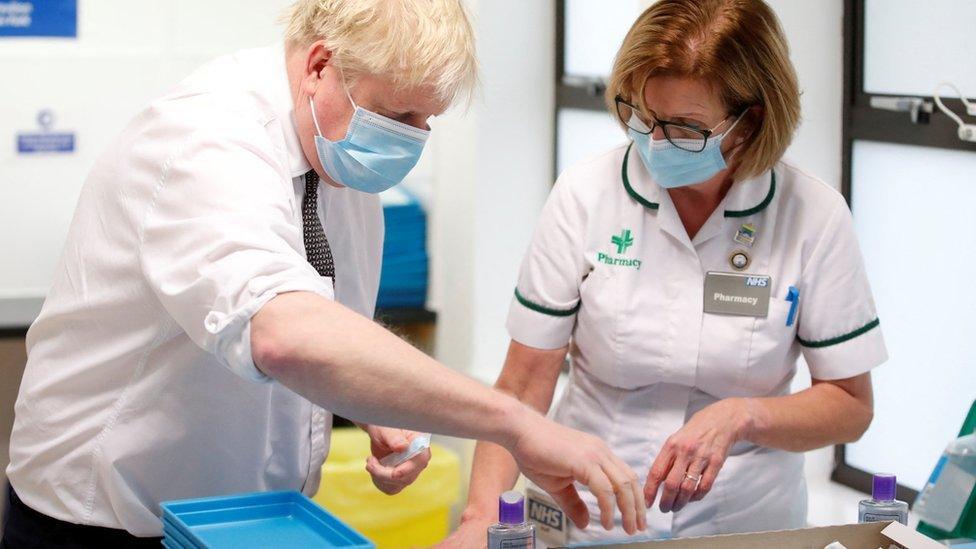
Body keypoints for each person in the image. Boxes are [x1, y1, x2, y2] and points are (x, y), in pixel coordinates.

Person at [2, 1, 646, 546]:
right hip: (101, 523)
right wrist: (518, 423)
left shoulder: (338, 156)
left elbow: (331, 329)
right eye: (397, 117)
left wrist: (375, 408)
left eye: (427, 121)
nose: (411, 140)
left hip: (250, 519)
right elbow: (282, 332)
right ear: (319, 66)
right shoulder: (206, 142)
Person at [446, 0, 887, 545]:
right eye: (643, 116)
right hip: (592, 514)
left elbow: (849, 406)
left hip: (743, 524)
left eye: (685, 128)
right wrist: (478, 519)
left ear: (750, 122)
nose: (655, 144)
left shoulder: (813, 215)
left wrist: (744, 416)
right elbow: (521, 386)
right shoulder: (587, 195)